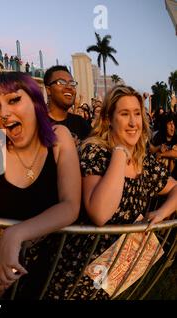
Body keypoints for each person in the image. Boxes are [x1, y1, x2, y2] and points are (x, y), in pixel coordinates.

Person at [0, 72, 80, 298]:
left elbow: (70, 205)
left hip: (45, 260)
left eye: (14, 100)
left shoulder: (60, 137)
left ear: (36, 102)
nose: (4, 113)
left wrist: (15, 234)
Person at [47, 85, 177, 300]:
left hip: (114, 276)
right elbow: (100, 213)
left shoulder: (142, 160)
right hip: (78, 272)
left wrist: (162, 212)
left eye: (137, 113)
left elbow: (175, 186)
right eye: (124, 114)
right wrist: (119, 153)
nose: (134, 123)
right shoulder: (95, 150)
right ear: (108, 119)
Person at [45, 65, 91, 145]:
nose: (69, 87)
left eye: (72, 84)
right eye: (61, 82)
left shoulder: (81, 124)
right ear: (48, 90)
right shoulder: (38, 123)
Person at [150, 113, 177, 178]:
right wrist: (159, 147)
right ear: (164, 125)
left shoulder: (176, 138)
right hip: (159, 175)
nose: (172, 126)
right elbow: (150, 150)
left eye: (173, 124)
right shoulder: (158, 137)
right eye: (170, 124)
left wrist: (161, 154)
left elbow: (175, 153)